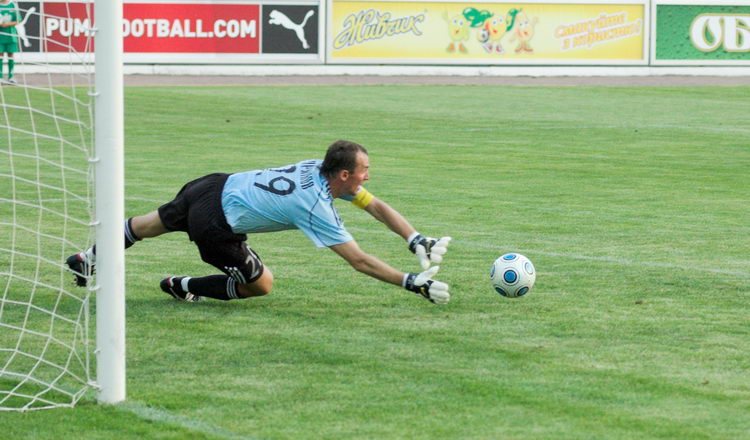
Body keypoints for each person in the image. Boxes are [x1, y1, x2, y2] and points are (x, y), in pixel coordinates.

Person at [67, 140, 452, 304]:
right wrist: (411, 282)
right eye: (365, 169)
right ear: (345, 175)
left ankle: (89, 257)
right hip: (217, 225)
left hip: (211, 185)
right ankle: (182, 286)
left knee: (144, 226)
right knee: (261, 285)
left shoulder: (317, 169)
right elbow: (359, 260)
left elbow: (374, 205)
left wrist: (414, 237)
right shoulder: (315, 205)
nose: (368, 176)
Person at [0, 0, 18, 85]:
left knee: (10, 55)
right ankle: (0, 77)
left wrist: (6, 24)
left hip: (11, 36)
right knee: (0, 55)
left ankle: (11, 77)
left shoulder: (13, 5)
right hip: (0, 35)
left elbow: (18, 20)